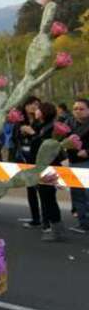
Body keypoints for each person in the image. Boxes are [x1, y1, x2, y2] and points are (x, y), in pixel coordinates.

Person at [32, 102, 64, 241]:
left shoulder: (51, 127)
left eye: (38, 109)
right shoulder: (40, 125)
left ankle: (56, 230)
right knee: (45, 198)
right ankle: (50, 227)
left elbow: (46, 146)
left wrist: (33, 134)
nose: (36, 110)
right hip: (41, 166)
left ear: (44, 111)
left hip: (49, 166)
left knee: (48, 198)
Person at [13, 96, 42, 228]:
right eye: (30, 104)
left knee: (43, 189)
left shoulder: (41, 121)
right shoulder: (20, 122)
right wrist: (21, 132)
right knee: (30, 189)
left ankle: (47, 220)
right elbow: (14, 139)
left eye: (36, 104)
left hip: (39, 159)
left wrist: (31, 132)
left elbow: (42, 139)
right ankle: (35, 218)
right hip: (24, 158)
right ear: (25, 106)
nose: (33, 106)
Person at [66, 98, 89, 234]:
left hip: (86, 162)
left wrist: (87, 152)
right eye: (75, 109)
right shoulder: (69, 123)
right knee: (77, 194)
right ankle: (83, 223)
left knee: (87, 193)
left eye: (81, 109)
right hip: (73, 162)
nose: (78, 111)